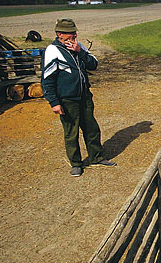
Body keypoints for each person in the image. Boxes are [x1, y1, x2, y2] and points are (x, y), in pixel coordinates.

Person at [41, 18, 116, 177]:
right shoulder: (53, 51)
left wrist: (79, 51)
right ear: (60, 34)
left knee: (91, 128)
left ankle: (96, 156)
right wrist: (54, 102)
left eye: (75, 33)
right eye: (70, 34)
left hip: (84, 96)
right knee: (71, 132)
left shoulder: (79, 46)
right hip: (67, 99)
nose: (74, 36)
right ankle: (76, 163)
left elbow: (93, 65)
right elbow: (47, 80)